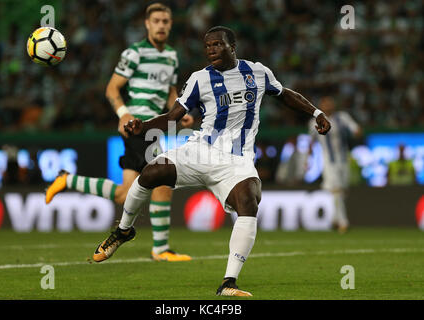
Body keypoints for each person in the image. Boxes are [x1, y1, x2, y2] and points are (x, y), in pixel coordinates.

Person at [92, 26, 331, 296]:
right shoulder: (199, 79)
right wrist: (143, 127)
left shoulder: (258, 72)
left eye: (217, 44)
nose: (211, 50)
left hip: (236, 160)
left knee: (250, 200)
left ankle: (229, 282)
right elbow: (172, 117)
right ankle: (124, 231)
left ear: (232, 46)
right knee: (149, 173)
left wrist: (316, 112)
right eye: (207, 46)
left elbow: (285, 93)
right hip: (201, 150)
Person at [45, 3, 194, 262]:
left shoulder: (171, 56)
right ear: (147, 24)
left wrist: (180, 112)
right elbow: (112, 89)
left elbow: (170, 93)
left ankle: (67, 180)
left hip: (154, 128)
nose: (161, 25)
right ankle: (160, 249)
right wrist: (123, 113)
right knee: (163, 181)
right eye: (156, 21)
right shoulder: (134, 53)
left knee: (124, 193)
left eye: (165, 21)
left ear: (170, 25)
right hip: (137, 125)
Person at [308, 96, 362, 234]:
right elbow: (311, 140)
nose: (328, 106)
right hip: (328, 161)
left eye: (330, 103)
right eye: (325, 103)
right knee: (336, 190)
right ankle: (343, 222)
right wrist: (307, 159)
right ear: (320, 105)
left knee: (342, 191)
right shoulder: (314, 121)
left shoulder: (342, 117)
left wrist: (357, 132)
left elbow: (355, 128)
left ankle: (334, 218)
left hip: (344, 159)